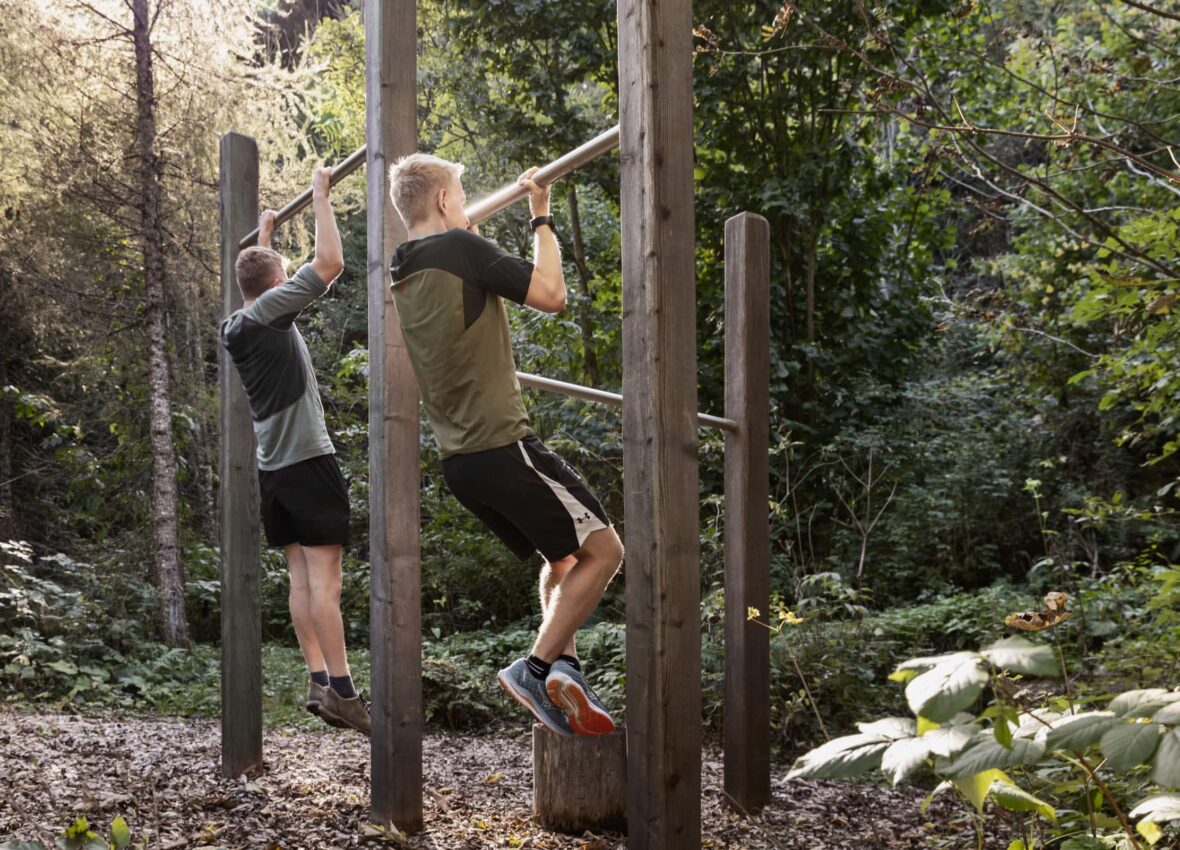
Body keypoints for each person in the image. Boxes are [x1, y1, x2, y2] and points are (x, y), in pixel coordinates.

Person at [387, 153, 624, 737]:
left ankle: (564, 670)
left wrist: (468, 231)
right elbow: (550, 295)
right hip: (503, 446)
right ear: (443, 201)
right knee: (607, 551)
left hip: (461, 464)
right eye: (460, 194)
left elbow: (462, 266)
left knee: (562, 559)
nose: (465, 203)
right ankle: (535, 668)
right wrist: (540, 216)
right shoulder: (464, 252)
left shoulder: (404, 267)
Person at [220, 167, 370, 736]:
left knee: (301, 582)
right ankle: (344, 690)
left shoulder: (237, 323)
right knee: (324, 585)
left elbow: (259, 281)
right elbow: (328, 265)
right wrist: (323, 198)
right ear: (276, 287)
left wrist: (264, 237)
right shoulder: (267, 314)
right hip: (309, 462)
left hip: (275, 475)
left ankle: (316, 679)